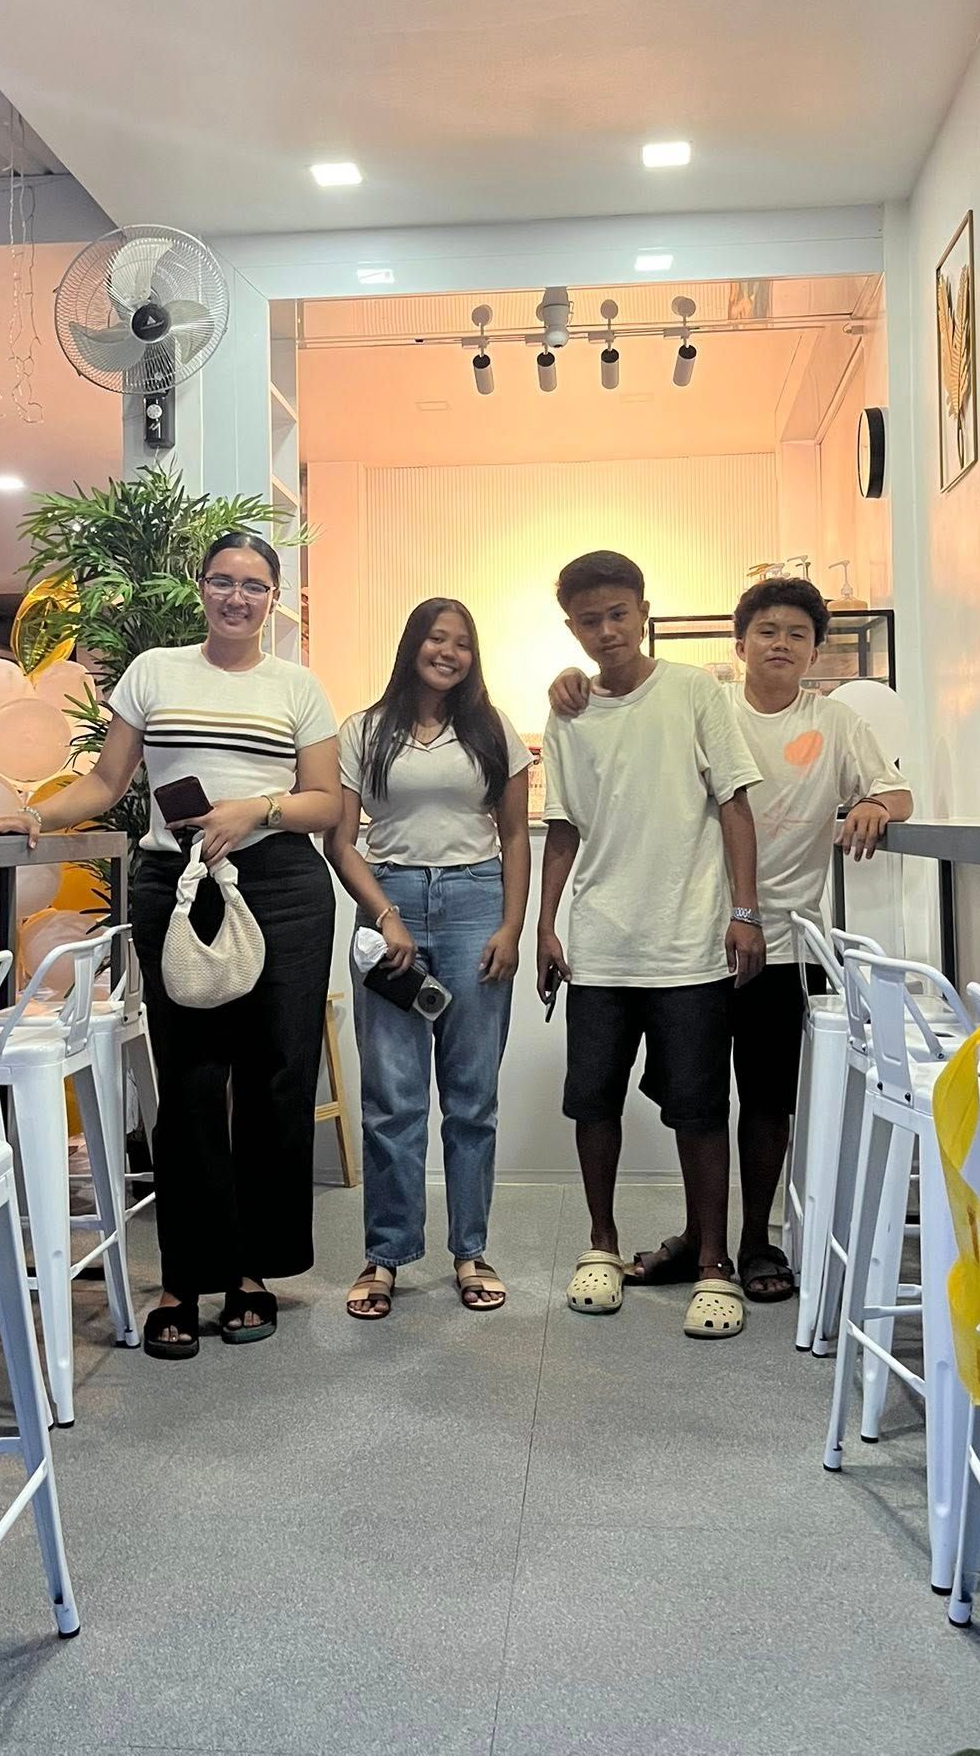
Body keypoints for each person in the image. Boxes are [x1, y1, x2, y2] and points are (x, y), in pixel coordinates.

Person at [0, 531, 340, 1358]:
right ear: (201, 588)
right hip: (176, 887)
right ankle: (184, 1275)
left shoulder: (299, 687)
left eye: (254, 585)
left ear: (273, 598)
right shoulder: (154, 671)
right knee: (186, 1084)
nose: (237, 597)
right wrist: (35, 814)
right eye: (224, 581)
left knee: (274, 1081)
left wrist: (258, 809)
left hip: (281, 888)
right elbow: (108, 784)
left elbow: (324, 804)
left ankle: (251, 1270)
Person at [549, 574, 912, 1304]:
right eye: (767, 633)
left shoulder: (834, 721)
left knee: (766, 1101)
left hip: (781, 941)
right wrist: (575, 682)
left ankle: (751, 1242)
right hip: (699, 940)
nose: (781, 645)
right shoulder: (706, 701)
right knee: (696, 1097)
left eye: (798, 635)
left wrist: (874, 802)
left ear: (816, 649)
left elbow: (896, 791)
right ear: (739, 644)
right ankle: (699, 1239)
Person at [537, 550, 764, 1342]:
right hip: (600, 945)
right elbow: (561, 826)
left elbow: (735, 805)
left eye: (618, 614)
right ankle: (600, 1242)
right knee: (592, 1100)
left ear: (643, 611)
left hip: (689, 941)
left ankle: (713, 1260)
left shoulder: (698, 693)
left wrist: (747, 911)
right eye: (589, 620)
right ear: (572, 627)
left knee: (699, 1108)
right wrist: (545, 923)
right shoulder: (566, 713)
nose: (607, 631)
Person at [326, 598, 531, 1321]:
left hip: (478, 903)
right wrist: (385, 915)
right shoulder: (362, 730)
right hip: (394, 903)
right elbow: (342, 841)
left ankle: (470, 1251)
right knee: (392, 1098)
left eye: (463, 643)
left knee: (472, 1097)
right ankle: (385, 1256)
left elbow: (515, 835)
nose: (450, 652)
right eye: (438, 639)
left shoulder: (494, 729)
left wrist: (511, 926)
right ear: (412, 643)